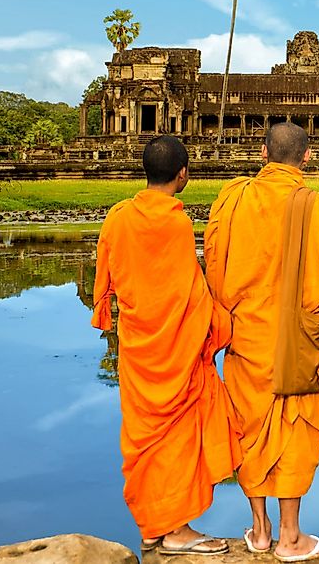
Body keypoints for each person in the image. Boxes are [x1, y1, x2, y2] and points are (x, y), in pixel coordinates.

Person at [204, 123, 319, 562]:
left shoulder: (232, 197)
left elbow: (214, 262)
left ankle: (259, 528)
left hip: (243, 334)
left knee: (250, 426)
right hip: (291, 342)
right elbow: (318, 281)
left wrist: (225, 318)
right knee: (292, 427)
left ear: (263, 151)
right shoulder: (307, 202)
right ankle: (290, 537)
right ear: (307, 157)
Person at [92, 135, 240, 556]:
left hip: (139, 347)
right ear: (183, 174)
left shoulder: (118, 217)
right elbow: (188, 293)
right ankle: (174, 530)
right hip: (174, 351)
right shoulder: (176, 224)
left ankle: (155, 526)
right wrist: (222, 323)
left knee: (146, 438)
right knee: (176, 436)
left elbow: (109, 278)